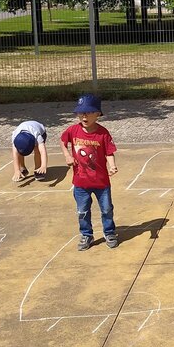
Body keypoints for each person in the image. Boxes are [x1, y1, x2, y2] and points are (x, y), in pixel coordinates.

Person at [60, 94, 118, 251]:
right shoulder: (73, 130)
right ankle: (86, 234)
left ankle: (109, 232)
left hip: (101, 182)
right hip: (81, 182)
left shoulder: (103, 133)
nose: (83, 116)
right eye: (80, 112)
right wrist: (67, 155)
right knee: (83, 211)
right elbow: (63, 141)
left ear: (97, 114)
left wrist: (112, 165)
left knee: (106, 209)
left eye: (88, 112)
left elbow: (109, 152)